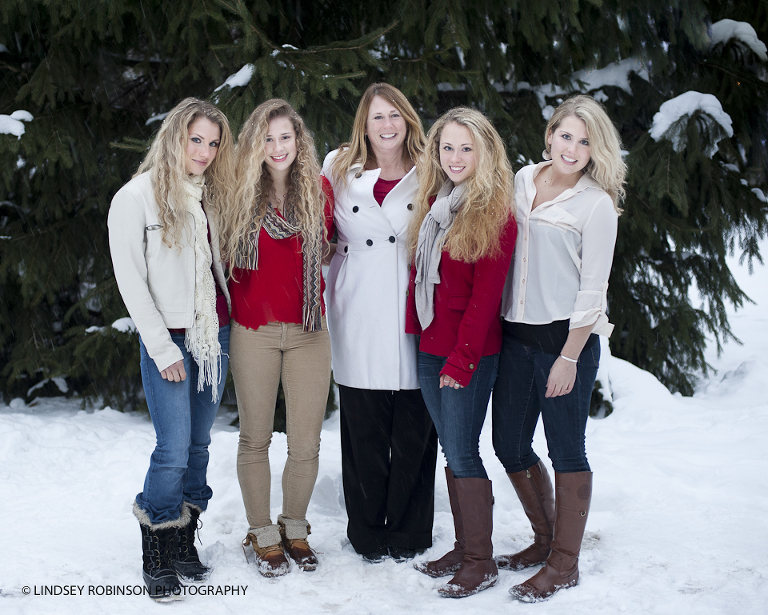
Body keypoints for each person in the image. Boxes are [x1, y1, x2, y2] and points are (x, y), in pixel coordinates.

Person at [492, 94, 627, 602]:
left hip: (563, 343)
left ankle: (564, 563)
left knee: (566, 448)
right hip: (515, 339)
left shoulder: (596, 205)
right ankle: (545, 540)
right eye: (566, 136)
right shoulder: (523, 179)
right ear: (550, 136)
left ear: (595, 150)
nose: (572, 148)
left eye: (585, 140)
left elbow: (593, 292)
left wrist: (569, 357)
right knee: (508, 443)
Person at [108, 98, 235, 601]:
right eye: (195, 139)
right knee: (172, 447)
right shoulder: (136, 197)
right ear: (174, 137)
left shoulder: (212, 197)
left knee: (200, 445)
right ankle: (157, 547)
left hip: (214, 336)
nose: (203, 151)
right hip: (171, 340)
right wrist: (162, 348)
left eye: (212, 143)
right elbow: (131, 283)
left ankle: (183, 539)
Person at [322, 83, 438, 562]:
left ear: (408, 119)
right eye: (377, 118)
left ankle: (409, 533)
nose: (388, 126)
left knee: (415, 425)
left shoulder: (432, 167)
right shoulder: (337, 166)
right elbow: (319, 229)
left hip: (416, 300)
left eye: (395, 115)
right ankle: (367, 533)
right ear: (363, 125)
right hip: (359, 300)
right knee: (363, 426)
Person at [219, 99, 332, 577]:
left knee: (306, 442)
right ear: (254, 143)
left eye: (285, 136)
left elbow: (336, 245)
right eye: (268, 138)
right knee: (256, 438)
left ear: (299, 140)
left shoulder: (321, 190)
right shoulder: (237, 192)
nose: (278, 146)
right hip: (254, 331)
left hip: (309, 331)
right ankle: (261, 530)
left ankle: (296, 527)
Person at [406, 107, 516, 597]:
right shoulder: (437, 203)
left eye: (466, 148)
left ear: (485, 152)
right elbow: (421, 280)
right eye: (447, 147)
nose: (455, 157)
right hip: (431, 345)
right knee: (452, 449)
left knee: (464, 450)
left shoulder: (496, 213)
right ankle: (464, 544)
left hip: (467, 354)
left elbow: (484, 301)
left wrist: (462, 360)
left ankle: (480, 560)